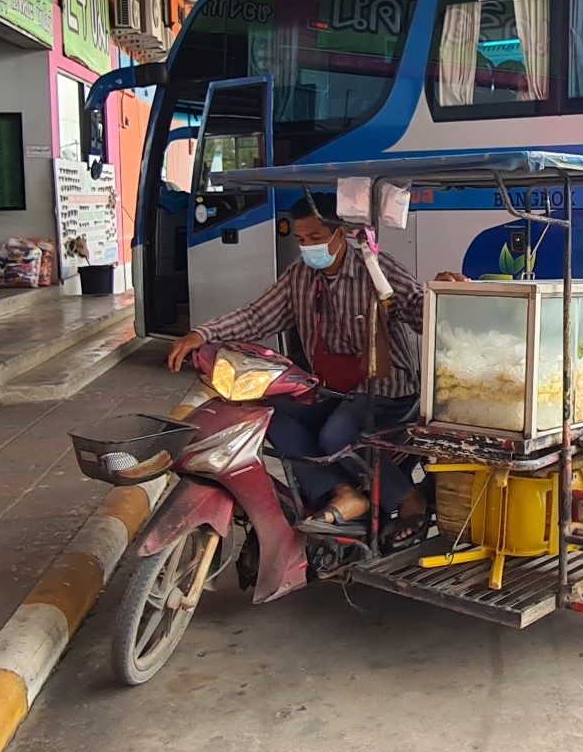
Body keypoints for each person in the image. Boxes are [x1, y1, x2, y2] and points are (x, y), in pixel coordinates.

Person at [164, 194, 467, 538]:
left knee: (335, 434)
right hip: (330, 390)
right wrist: (202, 334)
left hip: (387, 392)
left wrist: (443, 294)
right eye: (301, 240)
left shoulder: (375, 268)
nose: (309, 247)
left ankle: (408, 497)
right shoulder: (300, 275)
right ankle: (341, 491)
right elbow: (257, 315)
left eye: (316, 238)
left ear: (340, 234)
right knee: (269, 415)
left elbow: (415, 307)